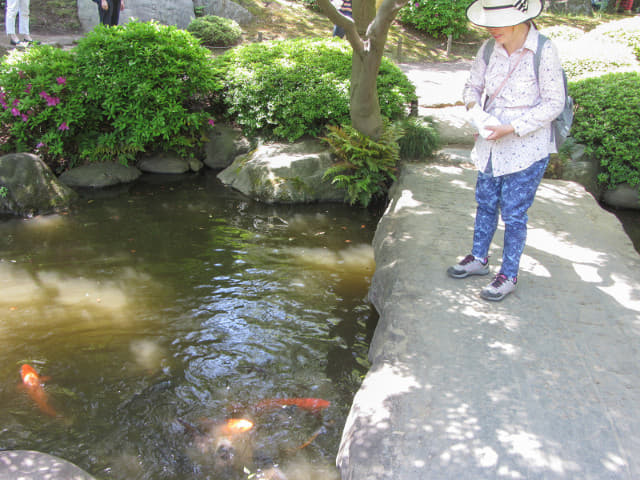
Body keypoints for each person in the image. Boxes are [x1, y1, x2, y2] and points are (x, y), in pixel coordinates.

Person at [446, 0, 565, 301]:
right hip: (490, 142)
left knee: (514, 213)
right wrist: (476, 112)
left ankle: (508, 274)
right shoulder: (488, 48)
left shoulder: (544, 51)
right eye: (489, 20)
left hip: (527, 146)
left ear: (518, 19)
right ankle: (478, 259)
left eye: (497, 21)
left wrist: (511, 128)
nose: (490, 28)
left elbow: (554, 103)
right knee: (485, 201)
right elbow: (471, 87)